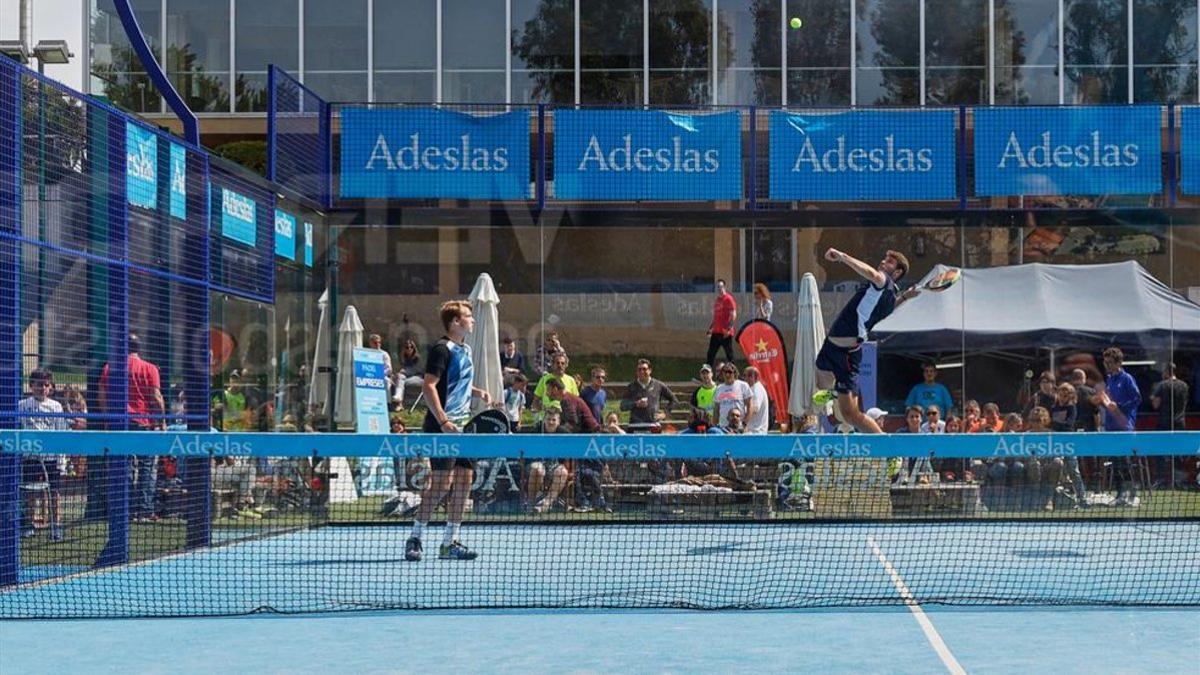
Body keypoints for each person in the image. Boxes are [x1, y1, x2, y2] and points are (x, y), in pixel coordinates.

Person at [406, 300, 491, 562]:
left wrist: (477, 392)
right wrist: (443, 422)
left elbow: (454, 383)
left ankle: (450, 542)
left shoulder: (463, 349)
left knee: (465, 481)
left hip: (463, 427)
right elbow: (429, 386)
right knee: (442, 483)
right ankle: (416, 537)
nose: (472, 320)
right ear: (455, 322)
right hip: (442, 427)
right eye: (468, 316)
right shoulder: (441, 349)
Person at [813, 248, 910, 433]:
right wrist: (905, 297)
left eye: (889, 262)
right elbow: (886, 310)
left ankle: (889, 450)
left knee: (852, 415)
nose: (883, 262)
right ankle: (833, 393)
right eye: (884, 259)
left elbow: (871, 273)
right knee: (820, 380)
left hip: (847, 354)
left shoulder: (882, 280)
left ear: (897, 272)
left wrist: (842, 256)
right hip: (833, 346)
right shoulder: (889, 296)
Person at [99, 334, 166, 521]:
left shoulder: (110, 367)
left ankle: (123, 509)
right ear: (139, 348)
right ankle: (144, 510)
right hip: (143, 423)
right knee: (147, 466)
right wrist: (161, 422)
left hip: (119, 422)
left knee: (123, 466)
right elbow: (156, 397)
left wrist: (107, 418)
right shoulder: (150, 368)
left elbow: (102, 395)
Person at [18, 369, 68, 541]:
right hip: (30, 457)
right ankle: (28, 524)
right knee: (30, 492)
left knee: (54, 493)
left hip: (51, 458)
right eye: (39, 385)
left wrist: (61, 461)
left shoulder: (56, 406)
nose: (42, 388)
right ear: (31, 386)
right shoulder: (22, 406)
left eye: (46, 385)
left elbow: (61, 433)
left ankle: (56, 527)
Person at [1095, 347, 1142, 507]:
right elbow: (1109, 401)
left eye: (1109, 362)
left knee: (1124, 460)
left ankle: (1132, 496)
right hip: (1110, 426)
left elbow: (1137, 399)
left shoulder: (1127, 378)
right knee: (1116, 461)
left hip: (1124, 426)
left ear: (1118, 363)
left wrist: (1119, 406)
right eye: (1105, 362)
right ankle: (1120, 495)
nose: (1106, 365)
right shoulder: (1109, 379)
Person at [526, 409, 571, 513]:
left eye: (553, 420)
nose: (551, 422)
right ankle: (531, 503)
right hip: (536, 464)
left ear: (558, 422)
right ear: (544, 420)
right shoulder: (537, 430)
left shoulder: (565, 434)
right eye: (548, 419)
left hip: (555, 465)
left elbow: (571, 451)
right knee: (538, 469)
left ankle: (545, 504)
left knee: (562, 472)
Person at [620, 359, 679, 430]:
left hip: (653, 426)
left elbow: (674, 400)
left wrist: (665, 414)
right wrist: (636, 404)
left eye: (644, 369)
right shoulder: (631, 387)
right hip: (635, 426)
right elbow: (622, 406)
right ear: (636, 372)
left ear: (650, 370)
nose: (642, 372)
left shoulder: (658, 385)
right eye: (639, 369)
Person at [706, 279, 737, 367]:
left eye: (721, 286)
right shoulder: (717, 300)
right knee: (710, 354)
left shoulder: (728, 299)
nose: (719, 289)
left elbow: (733, 314)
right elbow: (716, 317)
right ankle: (707, 374)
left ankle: (733, 375)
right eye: (718, 287)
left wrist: (729, 328)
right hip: (716, 332)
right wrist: (710, 329)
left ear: (725, 287)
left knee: (729, 355)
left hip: (725, 333)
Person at [713, 362, 753, 428]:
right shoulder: (719, 388)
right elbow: (716, 410)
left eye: (730, 372)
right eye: (725, 372)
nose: (727, 374)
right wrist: (714, 425)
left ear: (734, 373)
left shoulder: (743, 385)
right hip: (723, 427)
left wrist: (745, 423)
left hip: (738, 427)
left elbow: (750, 406)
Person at [1151, 363, 1189, 431]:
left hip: (1165, 423)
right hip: (1180, 422)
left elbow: (1155, 405)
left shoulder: (1162, 385)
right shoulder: (1184, 386)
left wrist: (1152, 398)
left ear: (1166, 372)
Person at [396, 339, 424, 408]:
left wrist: (404, 372)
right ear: (404, 349)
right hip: (405, 376)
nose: (409, 349)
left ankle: (399, 401)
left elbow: (416, 370)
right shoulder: (403, 358)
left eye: (411, 347)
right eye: (407, 347)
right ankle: (399, 402)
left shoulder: (417, 358)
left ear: (414, 348)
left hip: (417, 377)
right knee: (399, 378)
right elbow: (399, 370)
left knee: (401, 382)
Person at [744, 366, 770, 434]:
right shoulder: (752, 388)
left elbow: (754, 408)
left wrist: (744, 424)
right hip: (753, 431)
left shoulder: (756, 389)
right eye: (745, 375)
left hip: (755, 432)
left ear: (756, 377)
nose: (746, 378)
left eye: (749, 376)